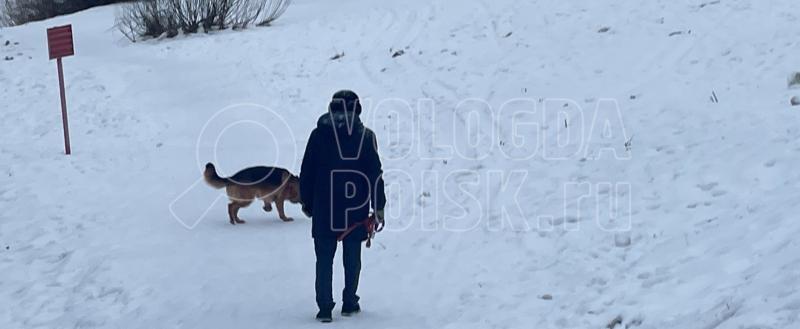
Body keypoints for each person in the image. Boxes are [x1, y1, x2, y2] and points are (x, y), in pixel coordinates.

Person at [299, 90, 386, 323]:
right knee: (352, 258)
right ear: (357, 110)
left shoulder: (318, 136)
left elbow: (306, 173)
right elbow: (375, 175)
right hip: (355, 209)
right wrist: (379, 207)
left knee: (324, 259)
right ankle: (349, 302)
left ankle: (325, 308)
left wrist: (306, 202)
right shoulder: (366, 137)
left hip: (323, 208)